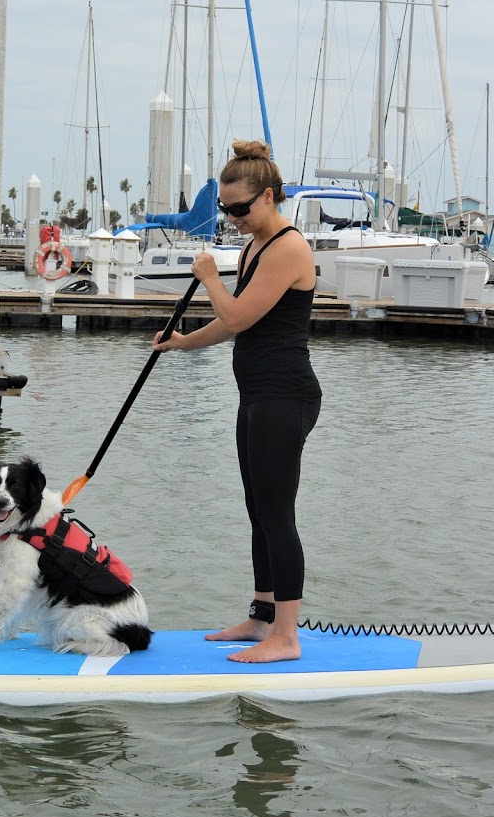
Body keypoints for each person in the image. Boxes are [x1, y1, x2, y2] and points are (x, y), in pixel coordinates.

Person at [153, 140, 322, 663]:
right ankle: (262, 616)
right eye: (225, 209)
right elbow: (232, 321)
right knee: (257, 508)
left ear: (269, 197)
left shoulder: (290, 248)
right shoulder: (254, 247)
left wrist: (207, 279)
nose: (231, 218)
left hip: (285, 395)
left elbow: (240, 316)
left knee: (277, 513)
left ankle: (287, 638)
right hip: (256, 395)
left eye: (240, 209)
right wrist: (184, 343)